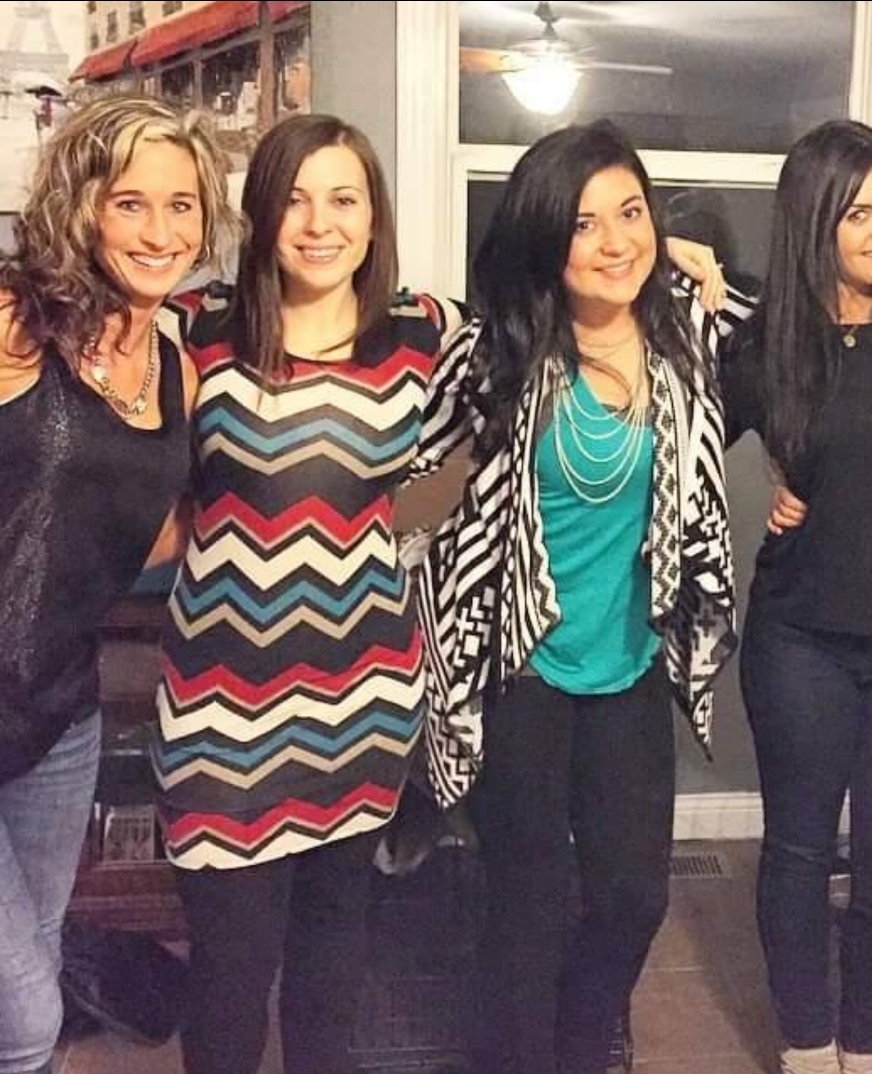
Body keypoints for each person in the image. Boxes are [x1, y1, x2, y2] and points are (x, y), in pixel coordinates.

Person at [412, 118, 744, 1074]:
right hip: (521, 668)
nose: (613, 242)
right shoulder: (494, 357)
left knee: (633, 898)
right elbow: (416, 497)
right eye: (584, 224)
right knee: (525, 905)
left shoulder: (688, 338)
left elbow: (806, 334)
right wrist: (446, 507)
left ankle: (580, 1040)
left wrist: (682, 255)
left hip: (628, 665)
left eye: (631, 214)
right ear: (544, 238)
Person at [148, 112, 470, 1074]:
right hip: (218, 713)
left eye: (343, 199)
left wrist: (675, 259)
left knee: (332, 972)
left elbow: (530, 366)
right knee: (230, 983)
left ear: (374, 216)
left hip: (363, 704)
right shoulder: (195, 327)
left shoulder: (425, 332)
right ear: (260, 213)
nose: (320, 223)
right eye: (294, 199)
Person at [716, 119, 872, 1074]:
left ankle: (868, 1047)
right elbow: (672, 435)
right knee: (796, 850)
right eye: (856, 212)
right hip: (802, 642)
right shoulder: (768, 348)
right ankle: (806, 1042)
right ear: (812, 222)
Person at [0, 94, 233, 1074]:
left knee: (37, 966)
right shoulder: (17, 319)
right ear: (82, 204)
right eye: (130, 202)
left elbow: (148, 526)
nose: (159, 231)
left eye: (182, 205)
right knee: (25, 1013)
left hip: (59, 714)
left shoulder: (176, 366)